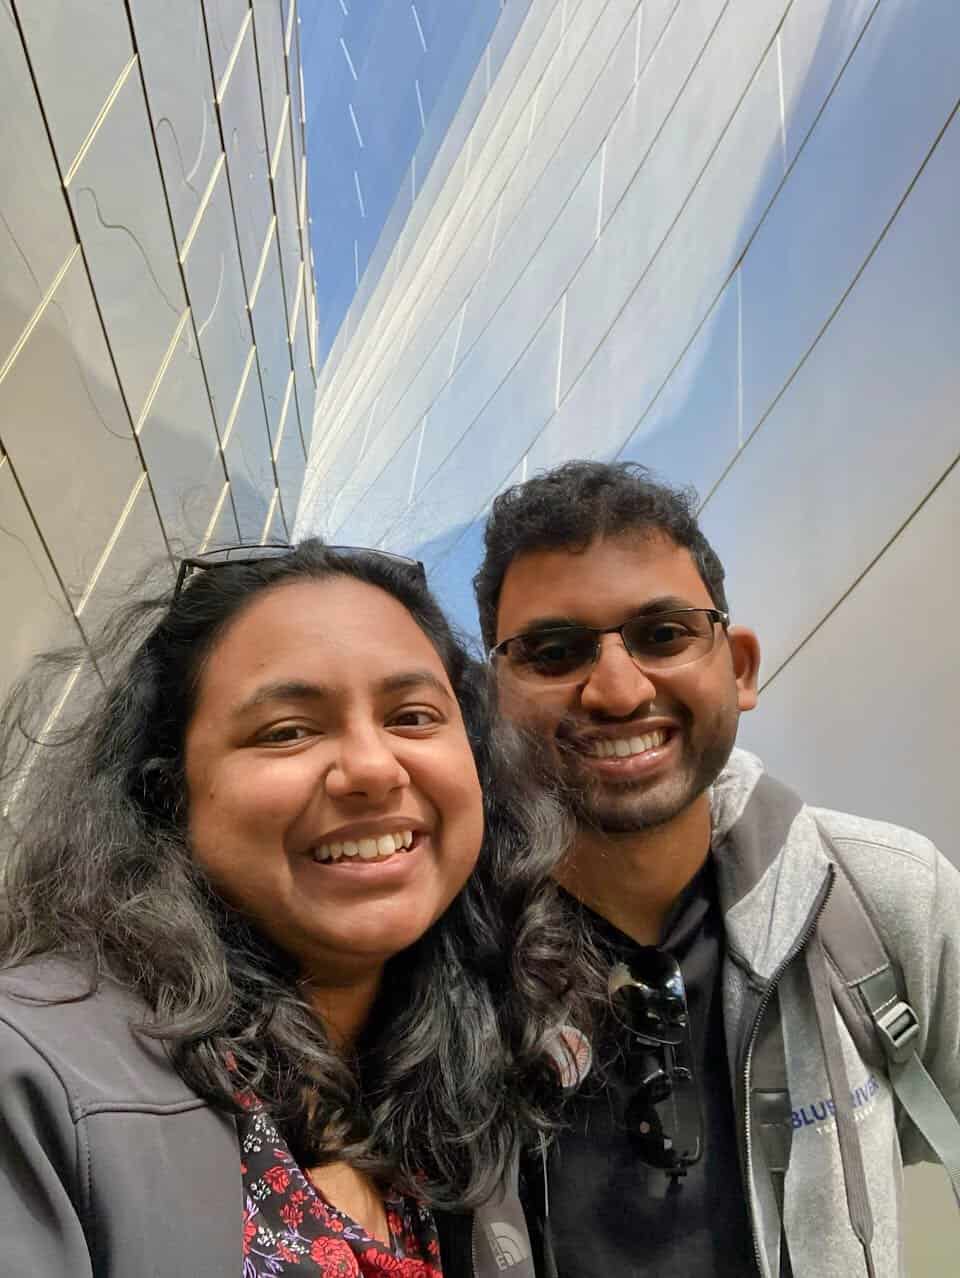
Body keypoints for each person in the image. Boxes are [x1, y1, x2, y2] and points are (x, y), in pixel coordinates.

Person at [0, 540, 576, 1277]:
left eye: (412, 716)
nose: (372, 768)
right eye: (288, 731)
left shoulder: (463, 1089)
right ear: (166, 792)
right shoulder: (33, 1083)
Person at [475, 460, 960, 1278]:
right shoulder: (440, 959)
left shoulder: (884, 895)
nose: (619, 691)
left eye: (663, 634)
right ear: (491, 702)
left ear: (738, 668)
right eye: (555, 652)